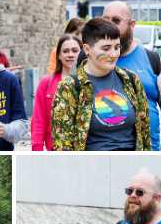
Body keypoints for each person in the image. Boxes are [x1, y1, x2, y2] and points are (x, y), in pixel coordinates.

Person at [52, 18, 151, 151]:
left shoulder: (130, 79)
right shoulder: (70, 86)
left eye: (117, 47)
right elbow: (63, 143)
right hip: (92, 166)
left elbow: (144, 132)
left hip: (131, 163)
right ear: (87, 49)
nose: (113, 54)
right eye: (106, 48)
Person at [102, 1, 161, 151]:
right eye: (105, 20)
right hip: (105, 156)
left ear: (132, 25)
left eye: (116, 20)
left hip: (148, 155)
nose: (109, 26)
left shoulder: (152, 60)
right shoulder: (88, 61)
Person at [31, 34, 82, 150]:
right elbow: (39, 121)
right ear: (58, 55)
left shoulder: (89, 82)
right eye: (65, 51)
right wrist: (36, 150)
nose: (70, 54)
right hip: (54, 148)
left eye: (75, 50)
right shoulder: (46, 83)